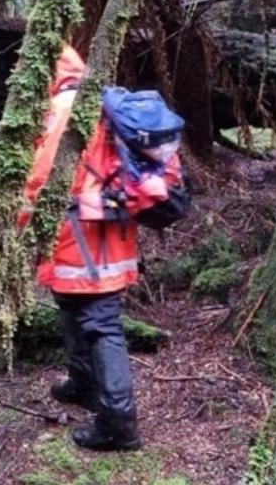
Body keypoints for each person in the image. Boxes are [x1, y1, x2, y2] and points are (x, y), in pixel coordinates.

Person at [19, 45, 189, 452]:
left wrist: (22, 223)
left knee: (100, 321)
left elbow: (38, 176)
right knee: (73, 306)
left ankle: (118, 422)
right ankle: (83, 384)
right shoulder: (99, 100)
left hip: (81, 234)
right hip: (105, 231)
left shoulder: (63, 108)